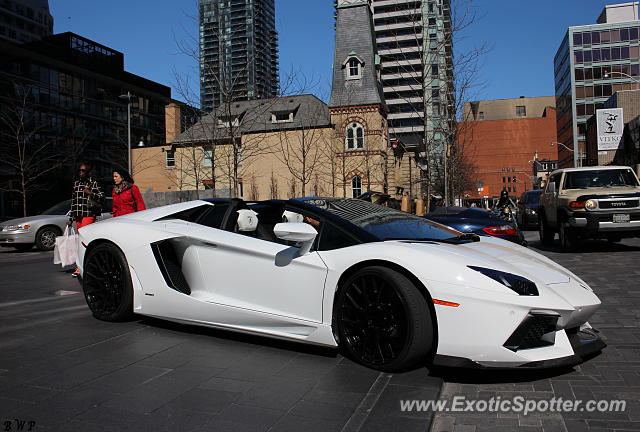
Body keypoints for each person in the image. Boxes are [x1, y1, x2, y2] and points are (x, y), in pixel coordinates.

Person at [67, 162, 104, 276]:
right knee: (80, 242)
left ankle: (87, 266)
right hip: (78, 215)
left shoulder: (93, 183)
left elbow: (102, 197)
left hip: (88, 214)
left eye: (83, 171)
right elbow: (74, 201)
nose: (81, 173)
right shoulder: (77, 184)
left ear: (89, 172)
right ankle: (81, 266)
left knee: (84, 241)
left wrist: (90, 193)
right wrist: (71, 218)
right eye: (80, 171)